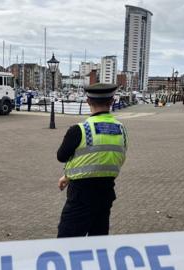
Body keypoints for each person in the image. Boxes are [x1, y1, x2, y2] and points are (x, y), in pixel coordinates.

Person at [56, 83, 128, 238]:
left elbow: (61, 156)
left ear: (88, 101)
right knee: (99, 243)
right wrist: (67, 177)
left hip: (80, 196)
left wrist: (68, 174)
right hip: (106, 194)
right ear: (112, 101)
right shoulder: (121, 130)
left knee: (67, 243)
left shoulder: (80, 130)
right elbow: (113, 158)